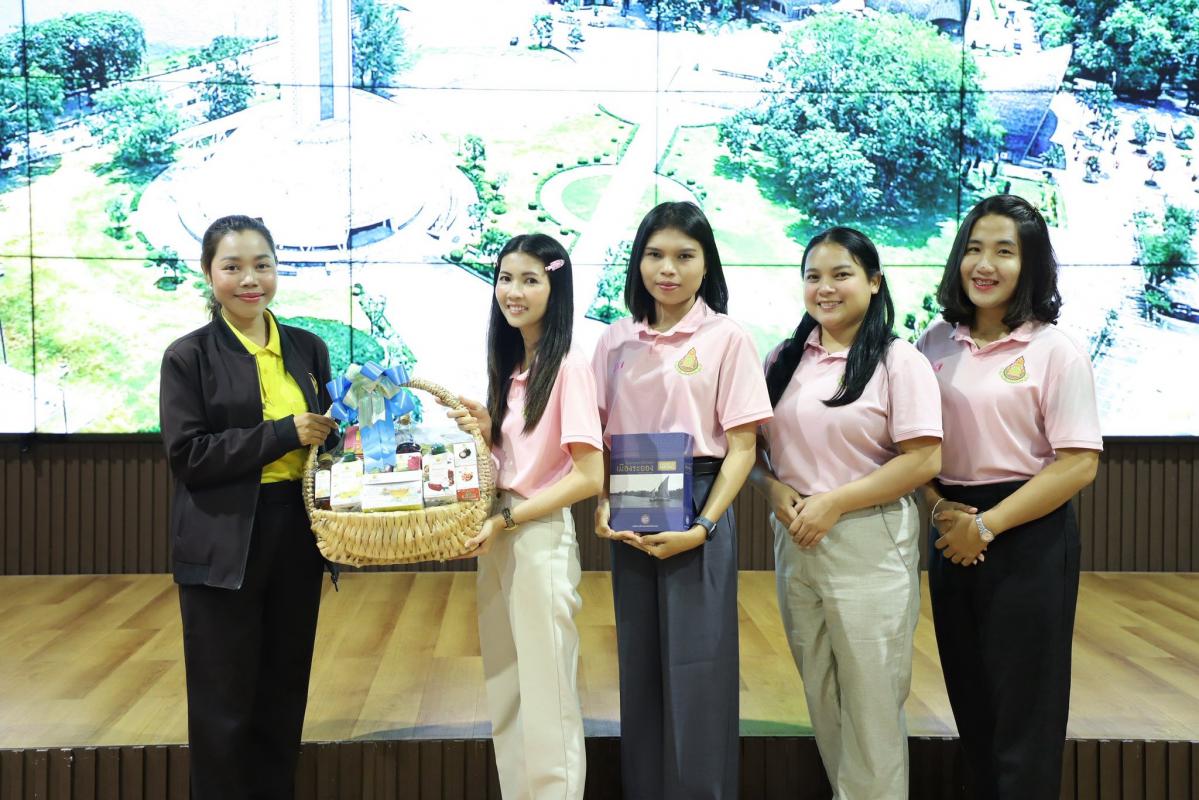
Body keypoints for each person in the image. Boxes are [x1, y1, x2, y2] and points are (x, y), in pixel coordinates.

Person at [917, 195, 1102, 800]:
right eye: (974, 248)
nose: (984, 264)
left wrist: (988, 526)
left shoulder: (1054, 350)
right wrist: (938, 507)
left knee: (1026, 707)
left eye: (1004, 251)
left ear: (1032, 265)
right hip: (951, 526)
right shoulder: (933, 342)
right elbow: (912, 444)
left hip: (1027, 533)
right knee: (971, 698)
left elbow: (1079, 464)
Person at [750, 227, 942, 798]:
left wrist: (835, 502)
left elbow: (923, 459)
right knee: (822, 691)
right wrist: (769, 487)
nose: (825, 288)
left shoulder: (898, 360)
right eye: (813, 276)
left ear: (874, 282)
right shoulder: (783, 358)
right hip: (796, 537)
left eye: (841, 275)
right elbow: (749, 450)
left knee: (872, 701)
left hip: (868, 538)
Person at [591, 201, 773, 800]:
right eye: (655, 255)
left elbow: (742, 448)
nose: (667, 269)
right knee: (640, 665)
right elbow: (597, 437)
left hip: (699, 498)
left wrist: (704, 526)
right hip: (631, 497)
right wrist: (602, 501)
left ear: (706, 264)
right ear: (638, 262)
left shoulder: (727, 338)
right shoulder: (615, 340)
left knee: (700, 669)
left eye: (683, 256)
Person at [159, 215, 338, 799]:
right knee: (223, 704)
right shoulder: (187, 357)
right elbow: (189, 456)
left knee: (283, 693)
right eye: (232, 267)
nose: (250, 280)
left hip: (296, 534)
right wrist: (284, 433)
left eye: (262, 265)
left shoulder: (308, 348)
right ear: (208, 273)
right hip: (223, 541)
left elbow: (323, 438)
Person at [447, 233, 603, 800]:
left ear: (555, 289)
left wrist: (508, 522)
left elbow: (588, 476)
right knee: (507, 684)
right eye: (505, 278)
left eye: (530, 280)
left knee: (547, 691)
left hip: (535, 535)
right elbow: (514, 458)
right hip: (500, 528)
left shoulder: (568, 366)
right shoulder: (513, 362)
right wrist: (488, 434)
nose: (513, 291)